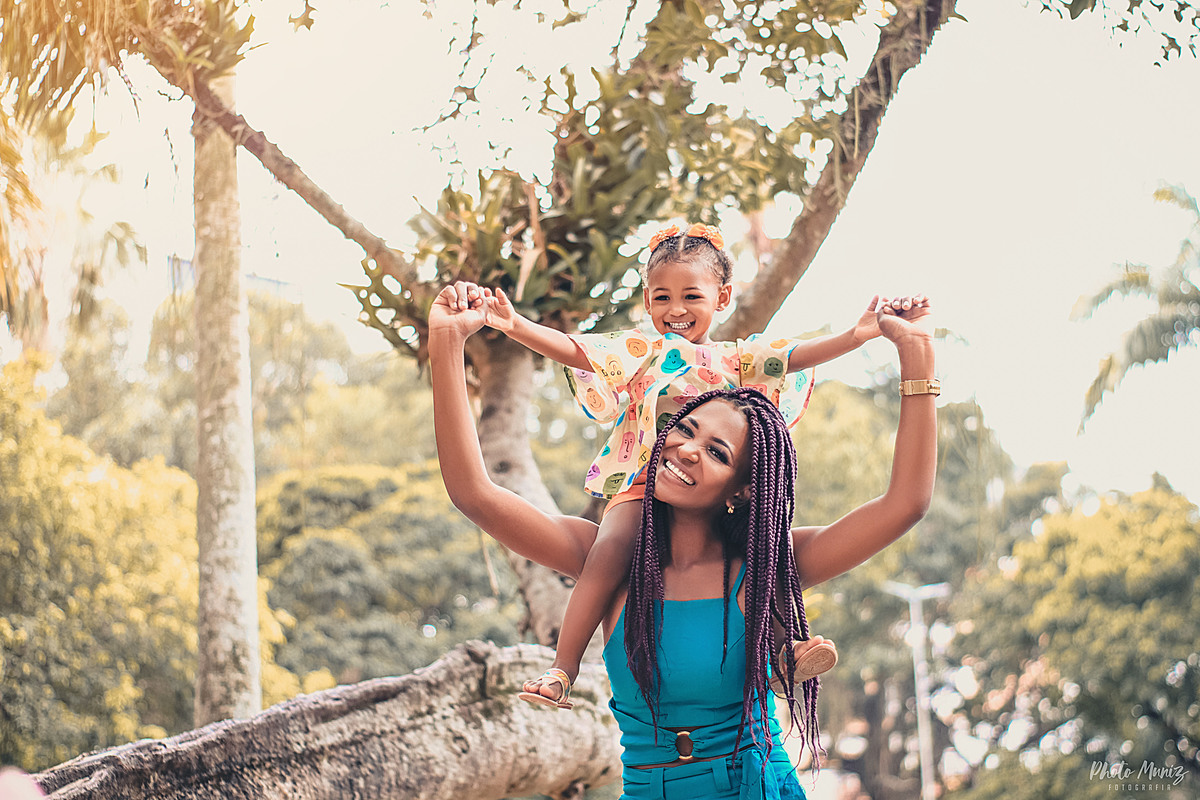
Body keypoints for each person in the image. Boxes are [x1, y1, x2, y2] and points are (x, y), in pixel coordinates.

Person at [429, 283, 938, 799]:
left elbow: (905, 504)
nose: (687, 450)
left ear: (742, 489)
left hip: (752, 785)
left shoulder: (770, 563)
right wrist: (447, 341)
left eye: (717, 452)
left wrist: (916, 352)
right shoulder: (607, 560)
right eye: (685, 429)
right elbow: (473, 493)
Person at [460, 222, 923, 709]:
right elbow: (578, 350)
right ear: (647, 301)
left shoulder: (737, 359)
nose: (675, 309)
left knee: (764, 550)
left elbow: (793, 356)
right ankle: (563, 668)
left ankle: (784, 649)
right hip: (645, 484)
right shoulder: (641, 354)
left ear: (723, 298)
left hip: (714, 495)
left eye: (691, 296)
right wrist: (514, 326)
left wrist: (857, 335)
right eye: (661, 297)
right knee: (608, 551)